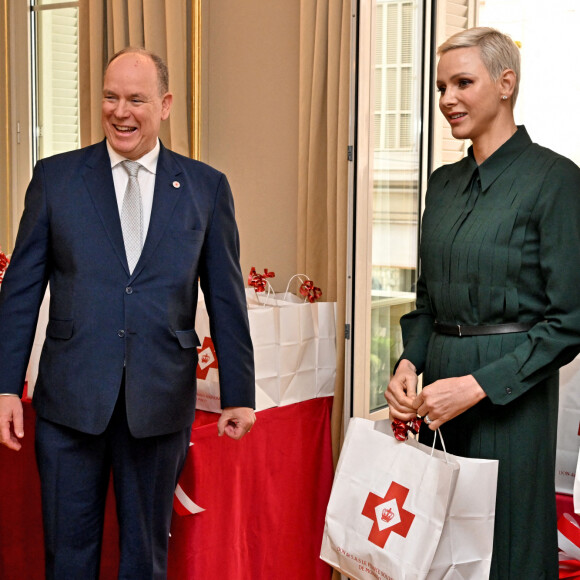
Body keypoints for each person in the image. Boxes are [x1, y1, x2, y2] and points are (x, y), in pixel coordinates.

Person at [0, 47, 256, 579]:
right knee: (67, 558)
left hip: (159, 402)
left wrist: (240, 392)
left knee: (145, 559)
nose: (121, 112)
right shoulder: (56, 179)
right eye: (111, 97)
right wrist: (4, 386)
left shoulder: (206, 188)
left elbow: (226, 297)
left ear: (164, 105)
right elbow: (21, 290)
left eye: (136, 100)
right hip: (69, 402)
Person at [385, 27, 580, 578]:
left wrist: (475, 387)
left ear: (505, 83)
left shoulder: (557, 180)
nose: (446, 98)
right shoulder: (442, 184)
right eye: (442, 85)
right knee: (435, 544)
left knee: (506, 546)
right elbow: (426, 300)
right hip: (437, 395)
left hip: (508, 399)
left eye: (462, 83)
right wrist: (407, 364)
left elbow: (570, 322)